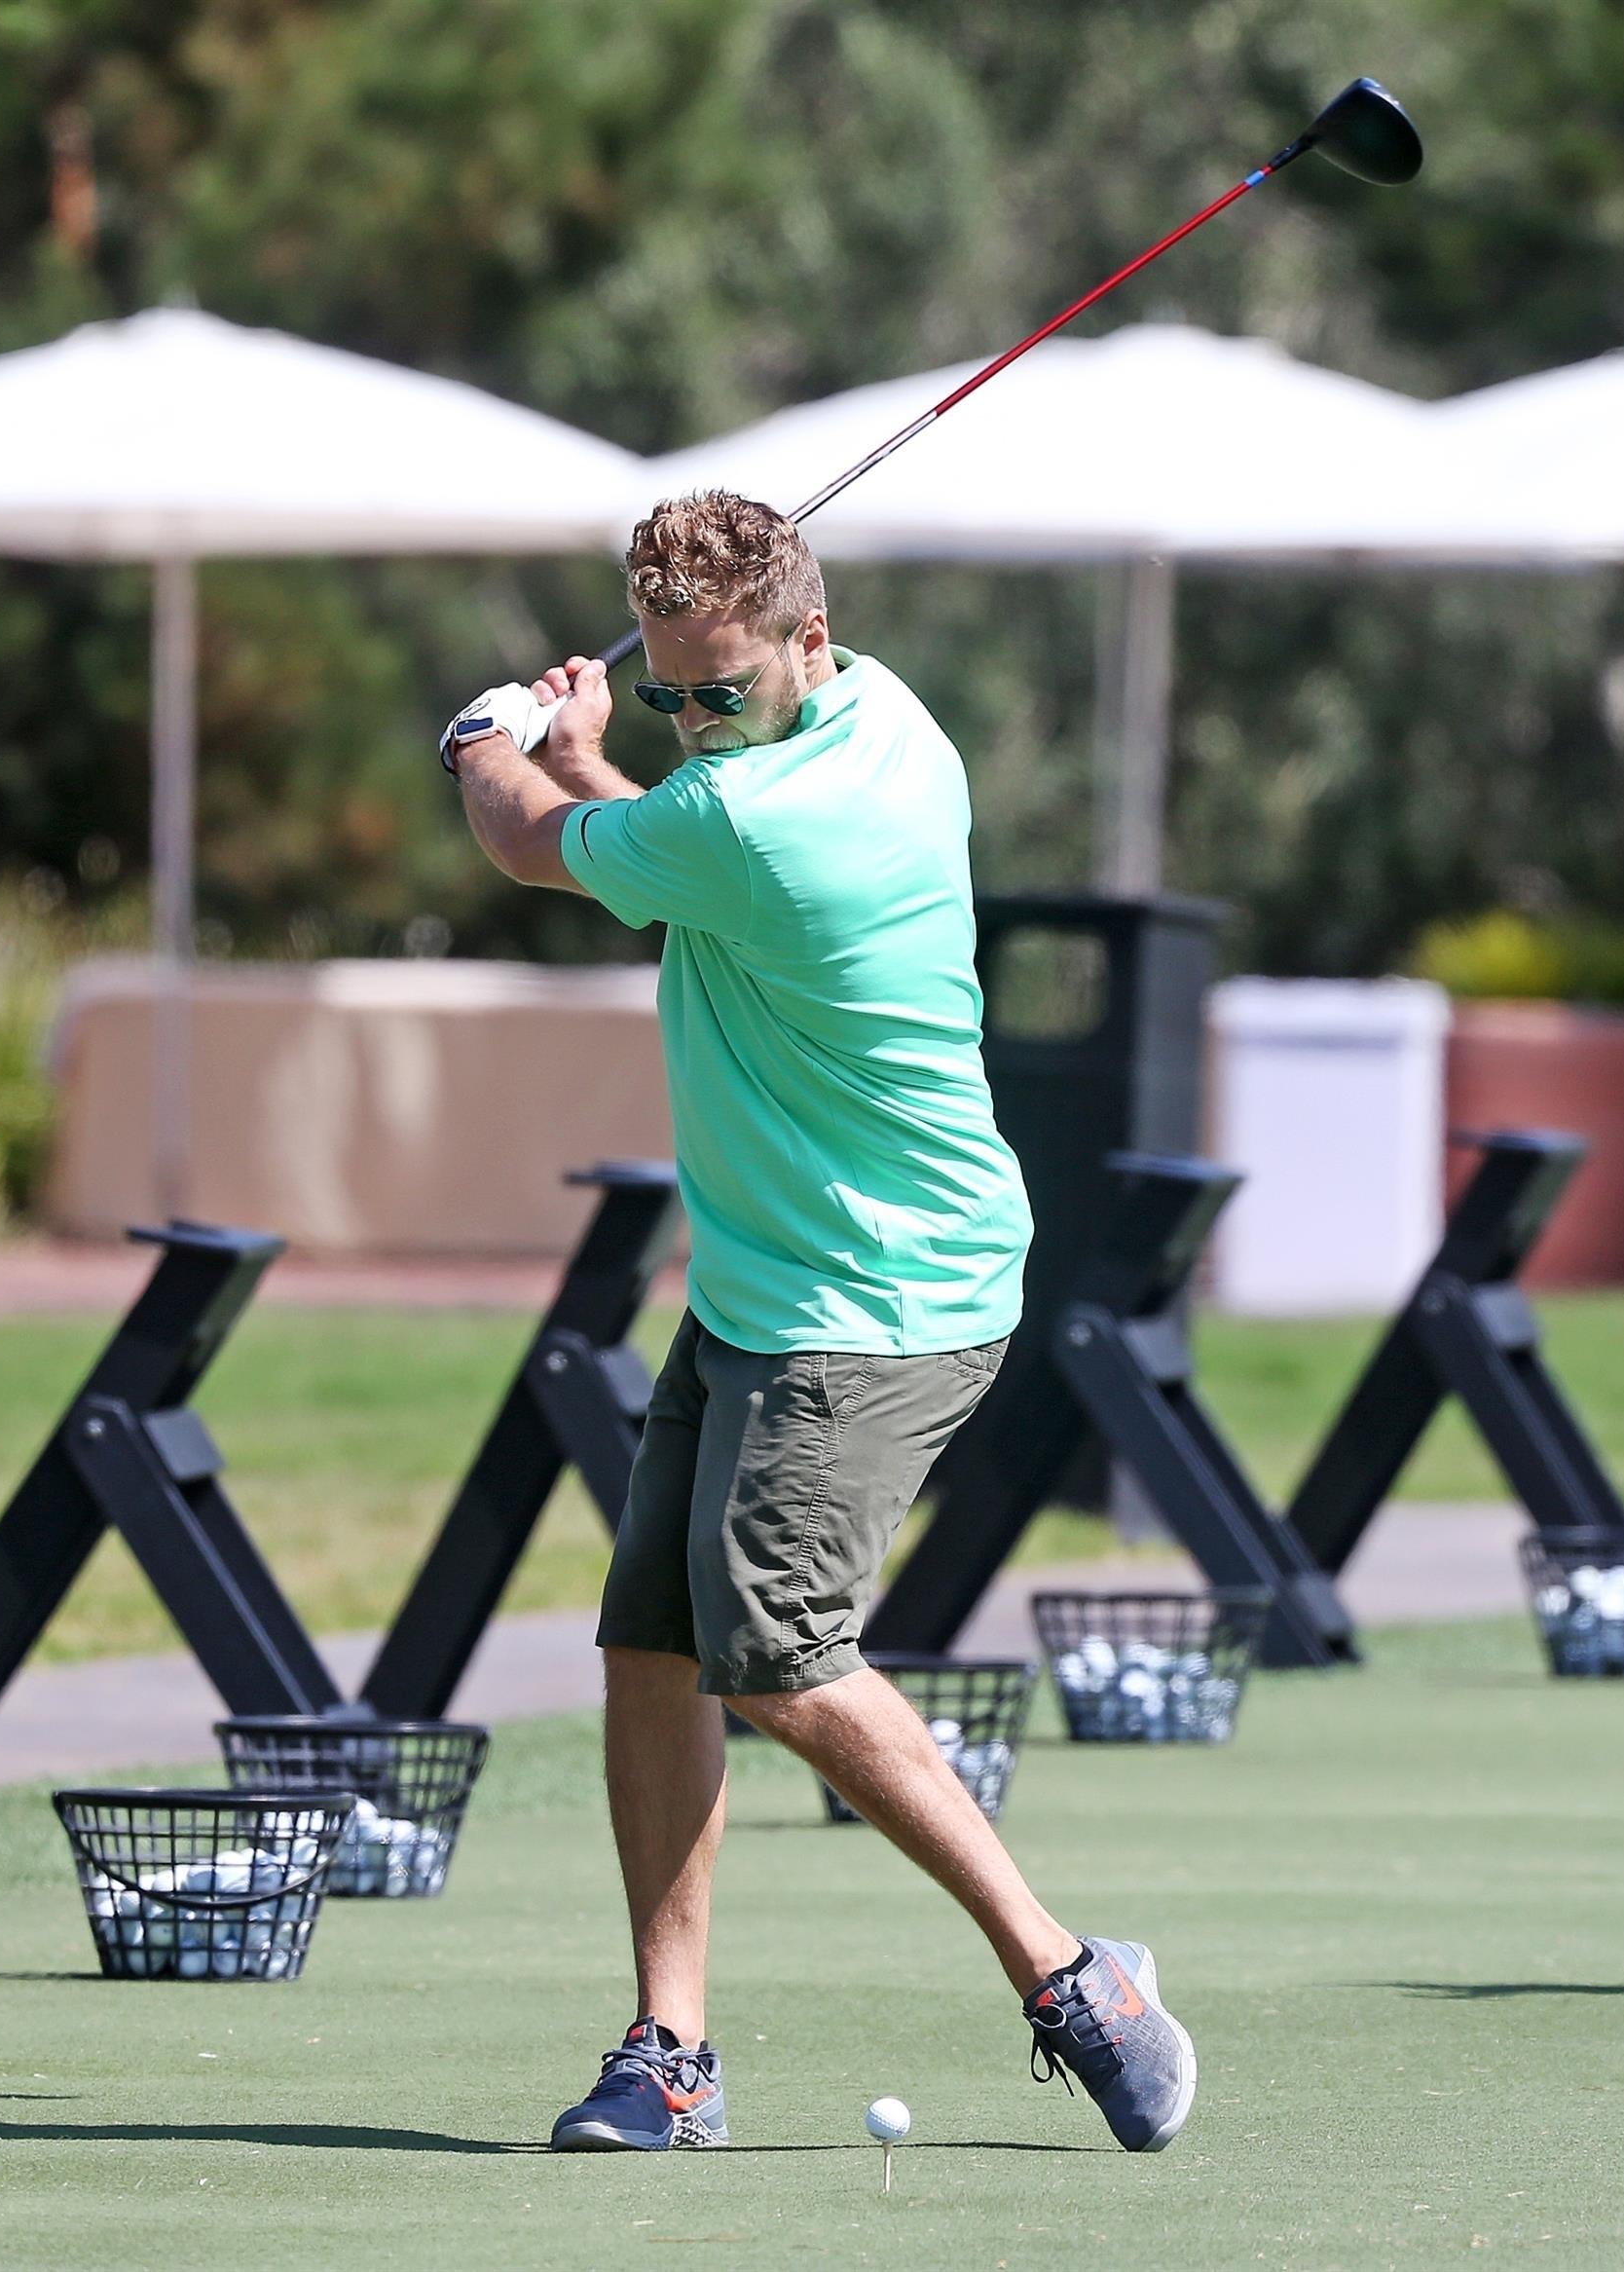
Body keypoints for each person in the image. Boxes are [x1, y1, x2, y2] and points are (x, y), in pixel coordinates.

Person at [445, 489, 1195, 2151]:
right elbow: (666, 856)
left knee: (773, 1653)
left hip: (881, 1298)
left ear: (810, 638)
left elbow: (529, 838)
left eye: (725, 692)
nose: (698, 727)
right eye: (670, 695)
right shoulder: (884, 719)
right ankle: (671, 2052)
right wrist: (606, 749)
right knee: (652, 1637)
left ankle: (1076, 1974)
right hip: (765, 1285)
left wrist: (496, 730)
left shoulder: (765, 825)